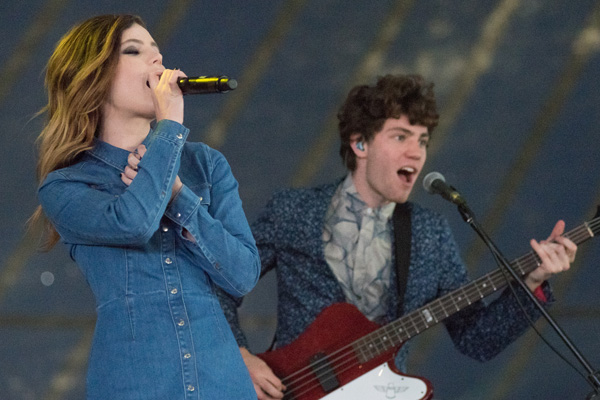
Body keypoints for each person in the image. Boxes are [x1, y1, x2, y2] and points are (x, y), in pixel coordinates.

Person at [218, 74, 577, 399]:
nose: (416, 152)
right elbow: (219, 288)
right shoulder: (292, 210)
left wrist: (532, 282)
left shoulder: (429, 234)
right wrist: (241, 356)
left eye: (422, 140)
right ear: (360, 144)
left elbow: (477, 339)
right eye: (401, 136)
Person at [31, 14, 260, 399]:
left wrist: (178, 194)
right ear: (92, 77)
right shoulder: (67, 184)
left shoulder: (205, 164)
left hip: (221, 383)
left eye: (159, 51)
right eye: (135, 51)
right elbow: (132, 223)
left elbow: (242, 274)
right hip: (136, 383)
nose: (159, 63)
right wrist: (170, 127)